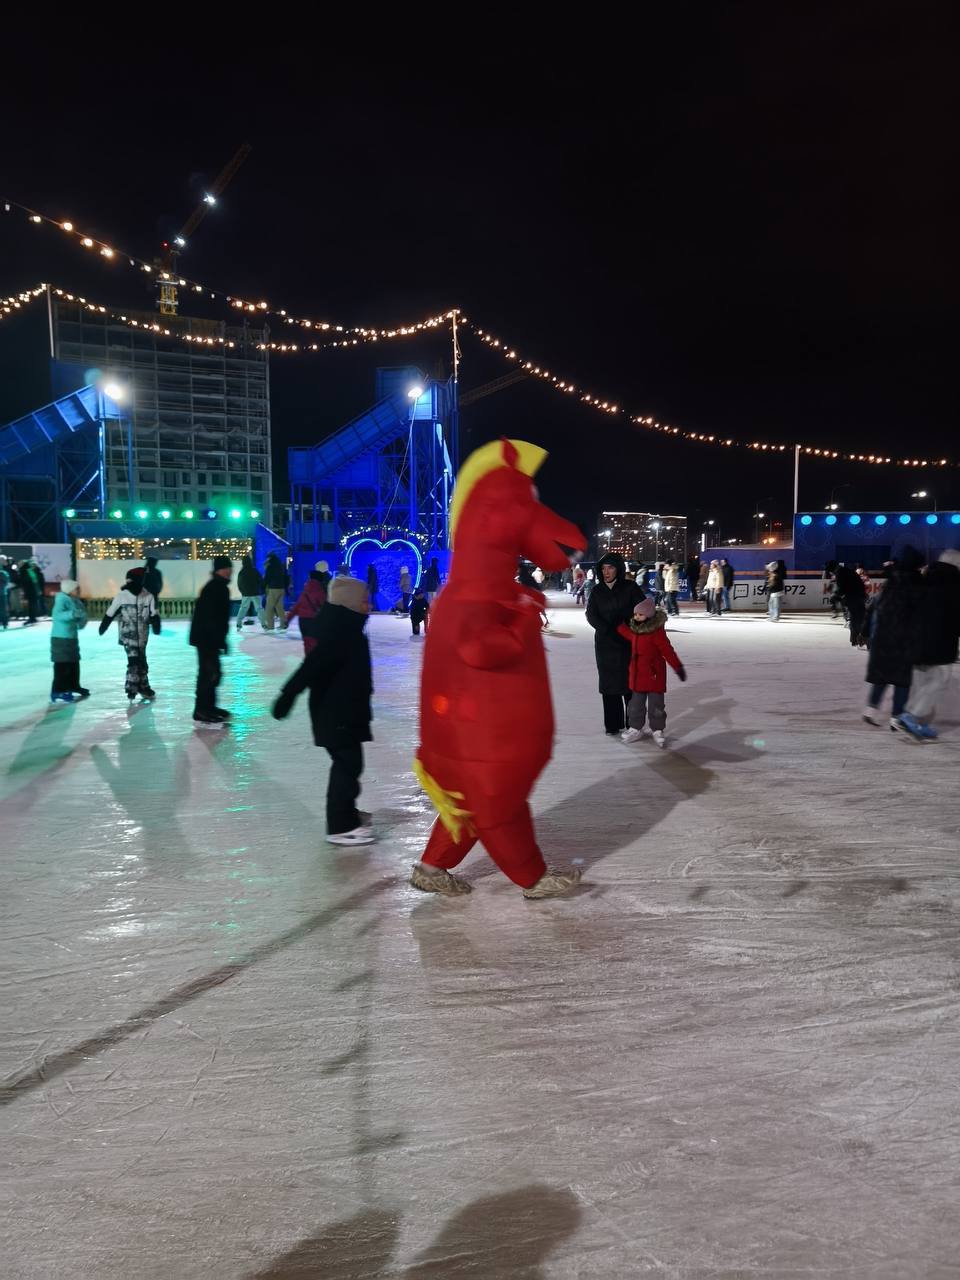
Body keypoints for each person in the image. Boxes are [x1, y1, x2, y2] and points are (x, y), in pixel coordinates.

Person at [271, 575, 374, 846]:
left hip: (346, 711)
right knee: (347, 764)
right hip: (336, 713)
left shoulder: (348, 628)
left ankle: (345, 813)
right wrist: (287, 695)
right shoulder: (340, 633)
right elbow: (312, 666)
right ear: (350, 603)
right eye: (364, 600)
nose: (369, 605)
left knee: (350, 764)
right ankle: (340, 826)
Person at [897, 549, 960, 739]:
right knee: (940, 678)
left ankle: (919, 723)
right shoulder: (954, 586)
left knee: (922, 682)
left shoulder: (923, 579)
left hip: (915, 641)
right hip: (938, 643)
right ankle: (911, 717)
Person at [862, 547, 924, 731]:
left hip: (882, 637)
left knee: (882, 676)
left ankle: (870, 710)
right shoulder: (916, 583)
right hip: (903, 639)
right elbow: (918, 614)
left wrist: (867, 631)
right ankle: (896, 718)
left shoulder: (890, 581)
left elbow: (875, 607)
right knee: (901, 680)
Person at [586, 550, 646, 734]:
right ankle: (612, 724)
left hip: (628, 643)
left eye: (610, 567)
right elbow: (591, 614)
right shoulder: (597, 590)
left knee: (630, 685)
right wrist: (606, 629)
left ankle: (633, 724)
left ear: (618, 569)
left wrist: (629, 626)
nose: (606, 572)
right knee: (609, 685)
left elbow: (643, 610)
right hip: (605, 645)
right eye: (603, 568)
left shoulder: (630, 587)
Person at [616, 598, 686, 748]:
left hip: (654, 676)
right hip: (637, 676)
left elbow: (668, 651)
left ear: (648, 615)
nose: (636, 617)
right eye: (635, 615)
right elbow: (629, 635)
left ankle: (657, 730)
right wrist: (619, 626)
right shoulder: (636, 630)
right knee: (635, 705)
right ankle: (636, 728)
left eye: (640, 615)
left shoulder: (656, 633)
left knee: (656, 706)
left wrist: (678, 667)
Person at [99, 565, 160, 701]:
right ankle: (132, 688)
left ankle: (143, 687)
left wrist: (156, 624)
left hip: (143, 636)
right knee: (133, 661)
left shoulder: (148, 596)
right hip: (128, 636)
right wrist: (104, 626)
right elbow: (110, 612)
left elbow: (153, 614)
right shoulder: (122, 596)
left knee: (142, 661)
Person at [190, 556, 233, 727]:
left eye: (230, 569)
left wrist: (221, 639)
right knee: (209, 674)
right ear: (218, 570)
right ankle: (202, 710)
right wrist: (216, 639)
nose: (230, 571)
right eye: (226, 569)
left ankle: (209, 707)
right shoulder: (215, 588)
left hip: (209, 638)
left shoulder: (219, 586)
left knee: (213, 674)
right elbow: (209, 618)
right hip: (206, 638)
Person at [49, 579, 89, 703]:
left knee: (73, 663)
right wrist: (73, 614)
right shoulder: (62, 599)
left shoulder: (75, 601)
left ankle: (74, 685)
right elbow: (57, 615)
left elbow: (81, 616)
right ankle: (58, 690)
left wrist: (81, 619)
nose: (79, 591)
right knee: (62, 665)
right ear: (69, 590)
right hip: (60, 638)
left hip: (71, 637)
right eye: (77, 589)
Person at [286, 562, 328, 655]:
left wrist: (288, 619)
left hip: (303, 621)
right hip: (314, 621)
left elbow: (297, 607)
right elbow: (325, 607)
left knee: (307, 643)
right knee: (315, 643)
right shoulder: (320, 591)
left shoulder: (305, 591)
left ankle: (309, 661)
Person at [832, 562, 867, 646]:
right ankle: (858, 638)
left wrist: (836, 596)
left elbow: (842, 588)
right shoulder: (848, 572)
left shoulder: (841, 573)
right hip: (857, 598)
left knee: (856, 619)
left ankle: (857, 638)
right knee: (858, 618)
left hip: (853, 598)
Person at [261, 552, 290, 632]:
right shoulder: (281, 565)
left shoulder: (270, 566)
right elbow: (286, 577)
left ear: (269, 558)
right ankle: (283, 624)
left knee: (269, 608)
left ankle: (270, 626)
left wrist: (262, 587)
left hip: (274, 589)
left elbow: (267, 578)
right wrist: (286, 588)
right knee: (279, 608)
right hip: (281, 589)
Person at [236, 553, 264, 629]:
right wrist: (260, 589)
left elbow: (239, 583)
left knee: (243, 609)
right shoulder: (255, 570)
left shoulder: (241, 572)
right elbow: (260, 580)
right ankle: (264, 624)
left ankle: (238, 624)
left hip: (246, 594)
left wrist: (242, 592)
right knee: (259, 609)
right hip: (255, 592)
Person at [20, 557, 45, 625]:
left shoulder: (30, 571)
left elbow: (35, 581)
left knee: (32, 605)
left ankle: (32, 618)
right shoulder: (32, 571)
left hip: (32, 591)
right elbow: (37, 581)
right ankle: (32, 618)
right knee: (33, 604)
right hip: (33, 590)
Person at [0, 556, 9, 630]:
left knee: (3, 608)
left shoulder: (3, 573)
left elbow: (6, 582)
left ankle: (5, 622)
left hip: (2, 593)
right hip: (2, 592)